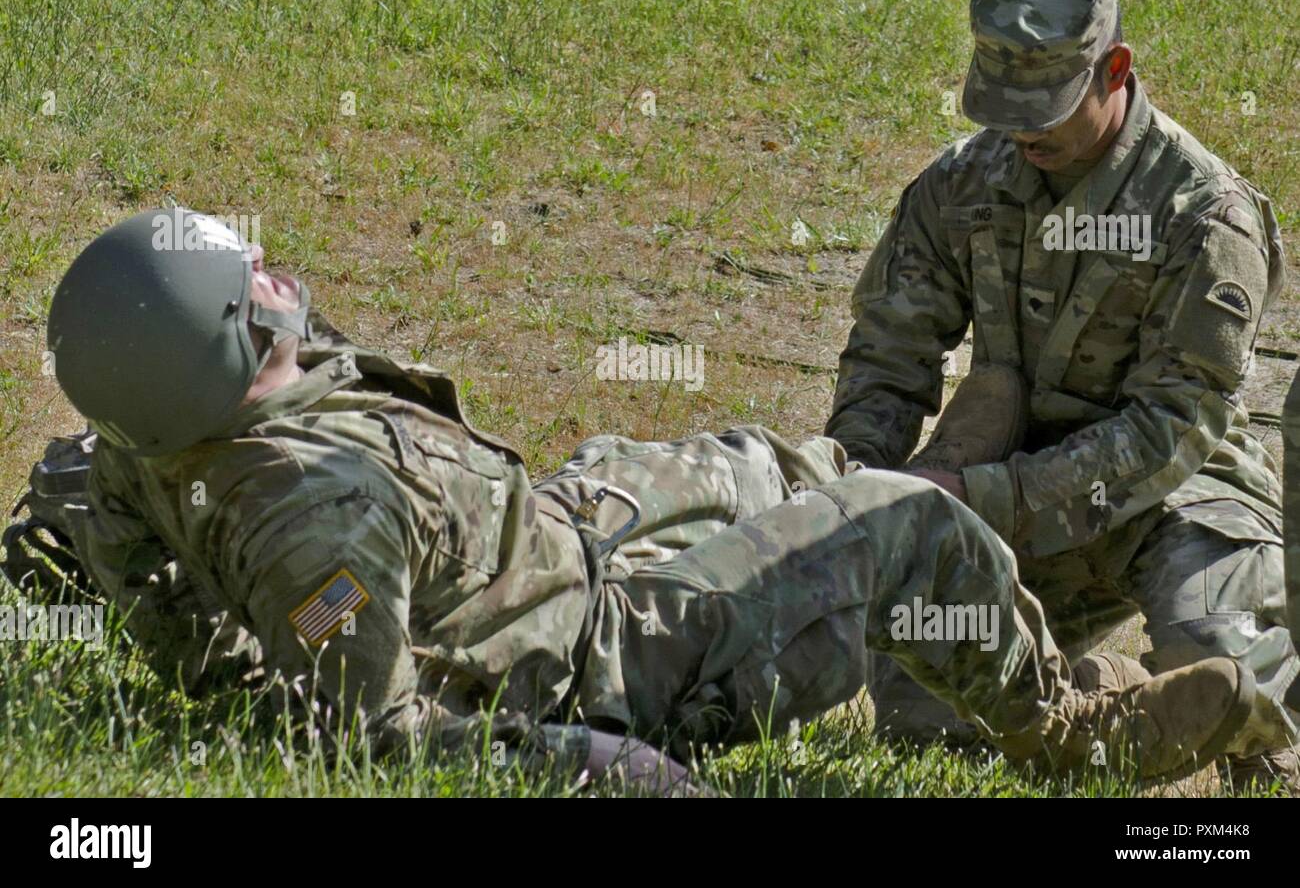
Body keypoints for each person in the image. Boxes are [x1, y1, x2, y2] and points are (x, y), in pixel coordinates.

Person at [36, 208, 1255, 792]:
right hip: (609, 654)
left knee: (766, 460)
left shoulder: (149, 436)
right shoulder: (325, 527)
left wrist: (219, 672)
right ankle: (1064, 735)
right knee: (908, 524)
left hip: (550, 538)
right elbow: (376, 743)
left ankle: (872, 520)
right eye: (254, 285)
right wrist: (609, 767)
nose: (277, 275)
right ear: (230, 347)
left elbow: (159, 598)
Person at [825, 0, 1296, 788]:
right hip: (1009, 490)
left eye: (1045, 102)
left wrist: (982, 497)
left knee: (1226, 657)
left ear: (1114, 68)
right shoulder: (959, 188)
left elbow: (1169, 431)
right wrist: (862, 496)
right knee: (920, 710)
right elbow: (887, 362)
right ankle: (1100, 700)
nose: (1021, 128)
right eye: (1003, 102)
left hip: (1174, 496)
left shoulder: (1206, 217)